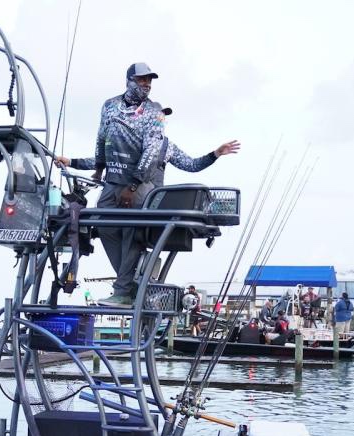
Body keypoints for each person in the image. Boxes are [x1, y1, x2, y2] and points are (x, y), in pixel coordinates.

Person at [54, 63, 239, 307]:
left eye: (149, 80)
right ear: (130, 80)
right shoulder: (110, 107)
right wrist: (75, 163)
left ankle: (123, 290)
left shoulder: (163, 137)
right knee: (102, 226)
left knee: (131, 234)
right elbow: (102, 144)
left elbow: (192, 165)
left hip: (141, 190)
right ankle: (131, 283)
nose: (147, 84)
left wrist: (214, 154)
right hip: (113, 182)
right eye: (142, 79)